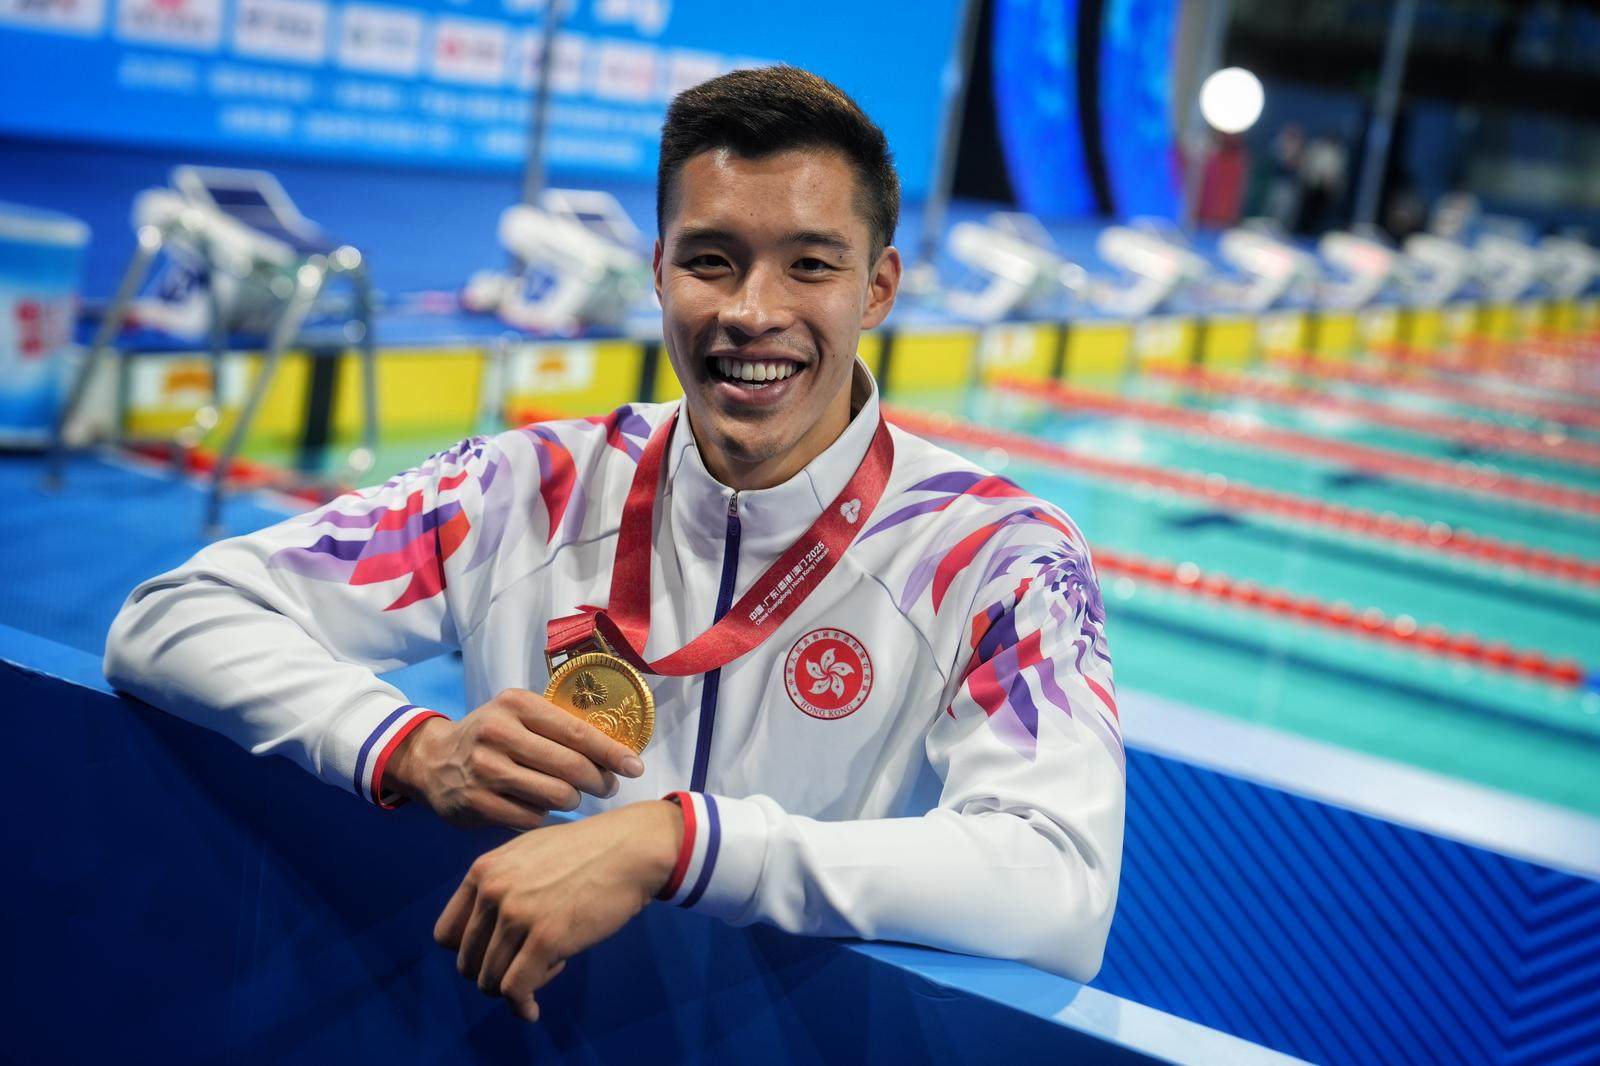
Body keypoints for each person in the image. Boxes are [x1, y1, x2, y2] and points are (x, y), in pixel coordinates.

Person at [104, 65, 1124, 1022]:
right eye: (710, 260)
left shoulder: (994, 553)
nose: (750, 312)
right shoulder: (527, 487)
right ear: (659, 270)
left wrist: (681, 842)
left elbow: (1060, 883)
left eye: (808, 265)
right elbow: (172, 616)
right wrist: (415, 747)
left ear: (877, 288)